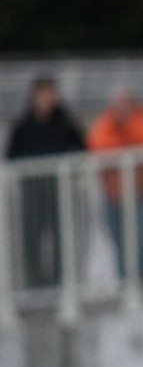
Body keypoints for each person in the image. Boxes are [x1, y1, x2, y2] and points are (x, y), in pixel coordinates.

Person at [4, 76, 85, 288]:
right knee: (32, 238)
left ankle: (60, 282)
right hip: (32, 192)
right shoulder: (23, 125)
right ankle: (35, 283)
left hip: (59, 191)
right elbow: (11, 155)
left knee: (61, 237)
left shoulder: (66, 123)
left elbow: (81, 150)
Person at [87, 88, 143, 284]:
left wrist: (124, 136)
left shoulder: (142, 120)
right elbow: (99, 146)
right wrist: (126, 142)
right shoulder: (106, 124)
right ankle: (125, 281)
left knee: (141, 237)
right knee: (118, 238)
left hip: (138, 190)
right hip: (113, 193)